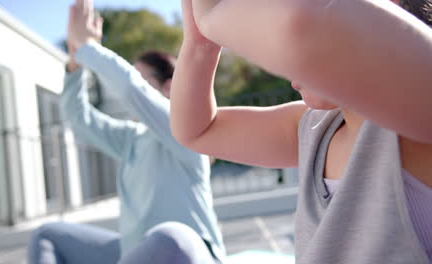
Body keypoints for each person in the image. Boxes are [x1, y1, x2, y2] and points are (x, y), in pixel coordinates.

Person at [170, 0, 432, 263]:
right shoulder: (313, 128)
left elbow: (301, 25)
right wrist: (199, 43)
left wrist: (211, 17)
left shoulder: (419, 103)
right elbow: (198, 131)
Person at [28, 0, 225, 263]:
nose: (134, 95)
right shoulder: (131, 139)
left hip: (187, 253)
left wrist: (89, 48)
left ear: (168, 88)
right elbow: (78, 118)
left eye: (144, 81)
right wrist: (75, 63)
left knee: (169, 238)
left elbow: (131, 90)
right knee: (48, 234)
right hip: (133, 253)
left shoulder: (185, 130)